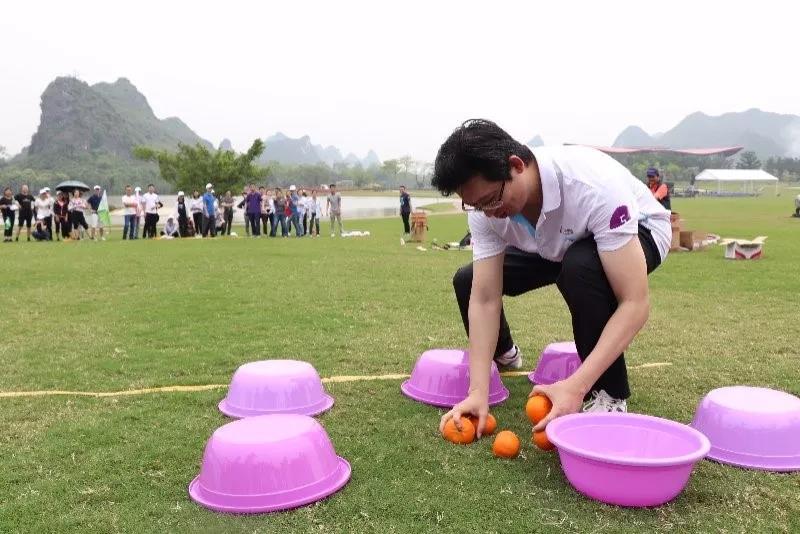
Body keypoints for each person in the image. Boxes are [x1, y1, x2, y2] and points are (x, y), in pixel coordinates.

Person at [433, 120, 671, 438]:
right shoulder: (486, 210)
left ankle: (609, 395)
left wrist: (577, 385)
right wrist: (478, 391)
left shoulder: (593, 187)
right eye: (476, 205)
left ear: (516, 166)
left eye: (490, 200)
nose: (487, 213)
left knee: (581, 267)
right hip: (554, 242)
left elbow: (634, 302)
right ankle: (506, 354)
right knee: (469, 280)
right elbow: (486, 297)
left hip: (639, 229)